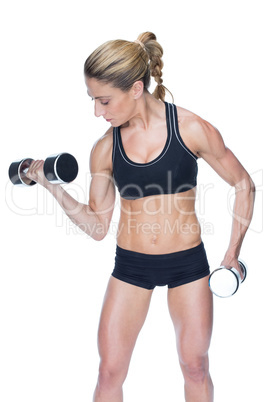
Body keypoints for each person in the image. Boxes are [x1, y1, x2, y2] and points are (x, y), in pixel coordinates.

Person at [27, 32, 255, 402]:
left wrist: (231, 254)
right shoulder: (105, 148)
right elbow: (97, 226)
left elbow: (243, 184)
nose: (98, 112)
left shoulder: (191, 128)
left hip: (188, 265)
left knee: (195, 366)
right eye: (94, 101)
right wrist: (49, 185)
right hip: (131, 266)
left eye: (103, 101)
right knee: (108, 373)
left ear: (135, 88)